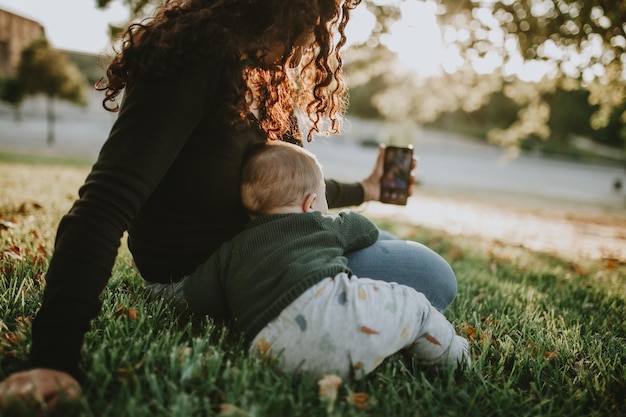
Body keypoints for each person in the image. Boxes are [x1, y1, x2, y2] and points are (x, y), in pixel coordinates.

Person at [0, 0, 458, 410]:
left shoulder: (261, 74)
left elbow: (293, 188)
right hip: (213, 274)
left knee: (398, 252)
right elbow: (104, 203)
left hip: (271, 246)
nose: (323, 25)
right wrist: (53, 356)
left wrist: (367, 189)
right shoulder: (193, 59)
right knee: (429, 276)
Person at [176, 141, 470, 379]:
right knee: (415, 307)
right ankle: (457, 358)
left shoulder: (230, 250)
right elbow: (366, 230)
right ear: (310, 203)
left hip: (270, 350)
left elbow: (199, 296)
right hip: (331, 319)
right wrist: (336, 220)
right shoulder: (320, 225)